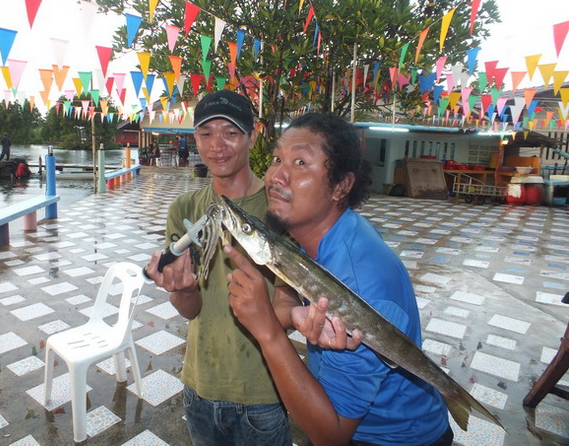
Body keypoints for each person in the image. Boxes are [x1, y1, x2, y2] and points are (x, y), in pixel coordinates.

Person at [225, 112, 452, 446]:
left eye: (301, 162)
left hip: (393, 438)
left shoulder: (359, 285)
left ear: (342, 185)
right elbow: (291, 288)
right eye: (276, 159)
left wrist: (268, 332)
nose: (276, 175)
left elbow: (329, 435)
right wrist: (288, 315)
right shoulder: (330, 232)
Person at [145, 89, 292, 446]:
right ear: (194, 137)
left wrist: (268, 313)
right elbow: (191, 309)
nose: (217, 145)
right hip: (200, 388)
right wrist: (182, 289)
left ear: (252, 136)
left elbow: (288, 309)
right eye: (206, 133)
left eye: (230, 132)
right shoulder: (184, 209)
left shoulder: (281, 210)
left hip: (265, 395)